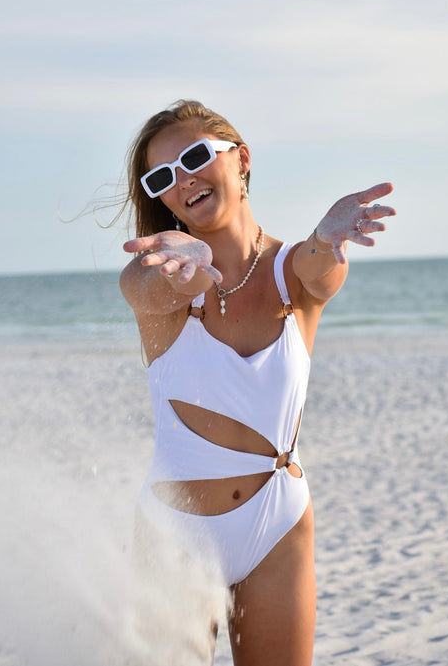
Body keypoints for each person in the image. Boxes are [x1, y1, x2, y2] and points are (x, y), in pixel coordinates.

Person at [118, 99, 395, 666]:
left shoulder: (294, 268)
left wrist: (326, 235)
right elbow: (147, 288)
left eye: (196, 156)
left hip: (277, 526)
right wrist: (184, 270)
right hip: (177, 530)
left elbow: (322, 266)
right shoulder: (159, 274)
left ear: (241, 159)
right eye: (162, 176)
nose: (183, 180)